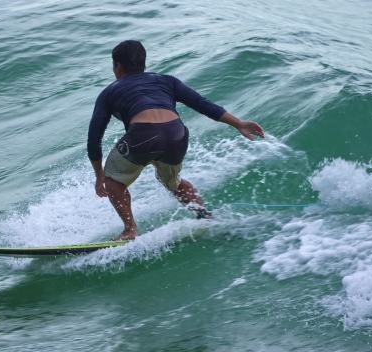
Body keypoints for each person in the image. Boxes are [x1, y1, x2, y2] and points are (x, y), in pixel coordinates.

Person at [88, 40, 264, 240]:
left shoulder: (109, 92)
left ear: (117, 66)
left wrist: (99, 176)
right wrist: (238, 123)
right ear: (143, 63)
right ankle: (204, 215)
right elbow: (202, 104)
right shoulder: (166, 81)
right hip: (176, 134)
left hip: (143, 136)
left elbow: (94, 139)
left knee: (114, 182)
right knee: (174, 182)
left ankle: (130, 230)